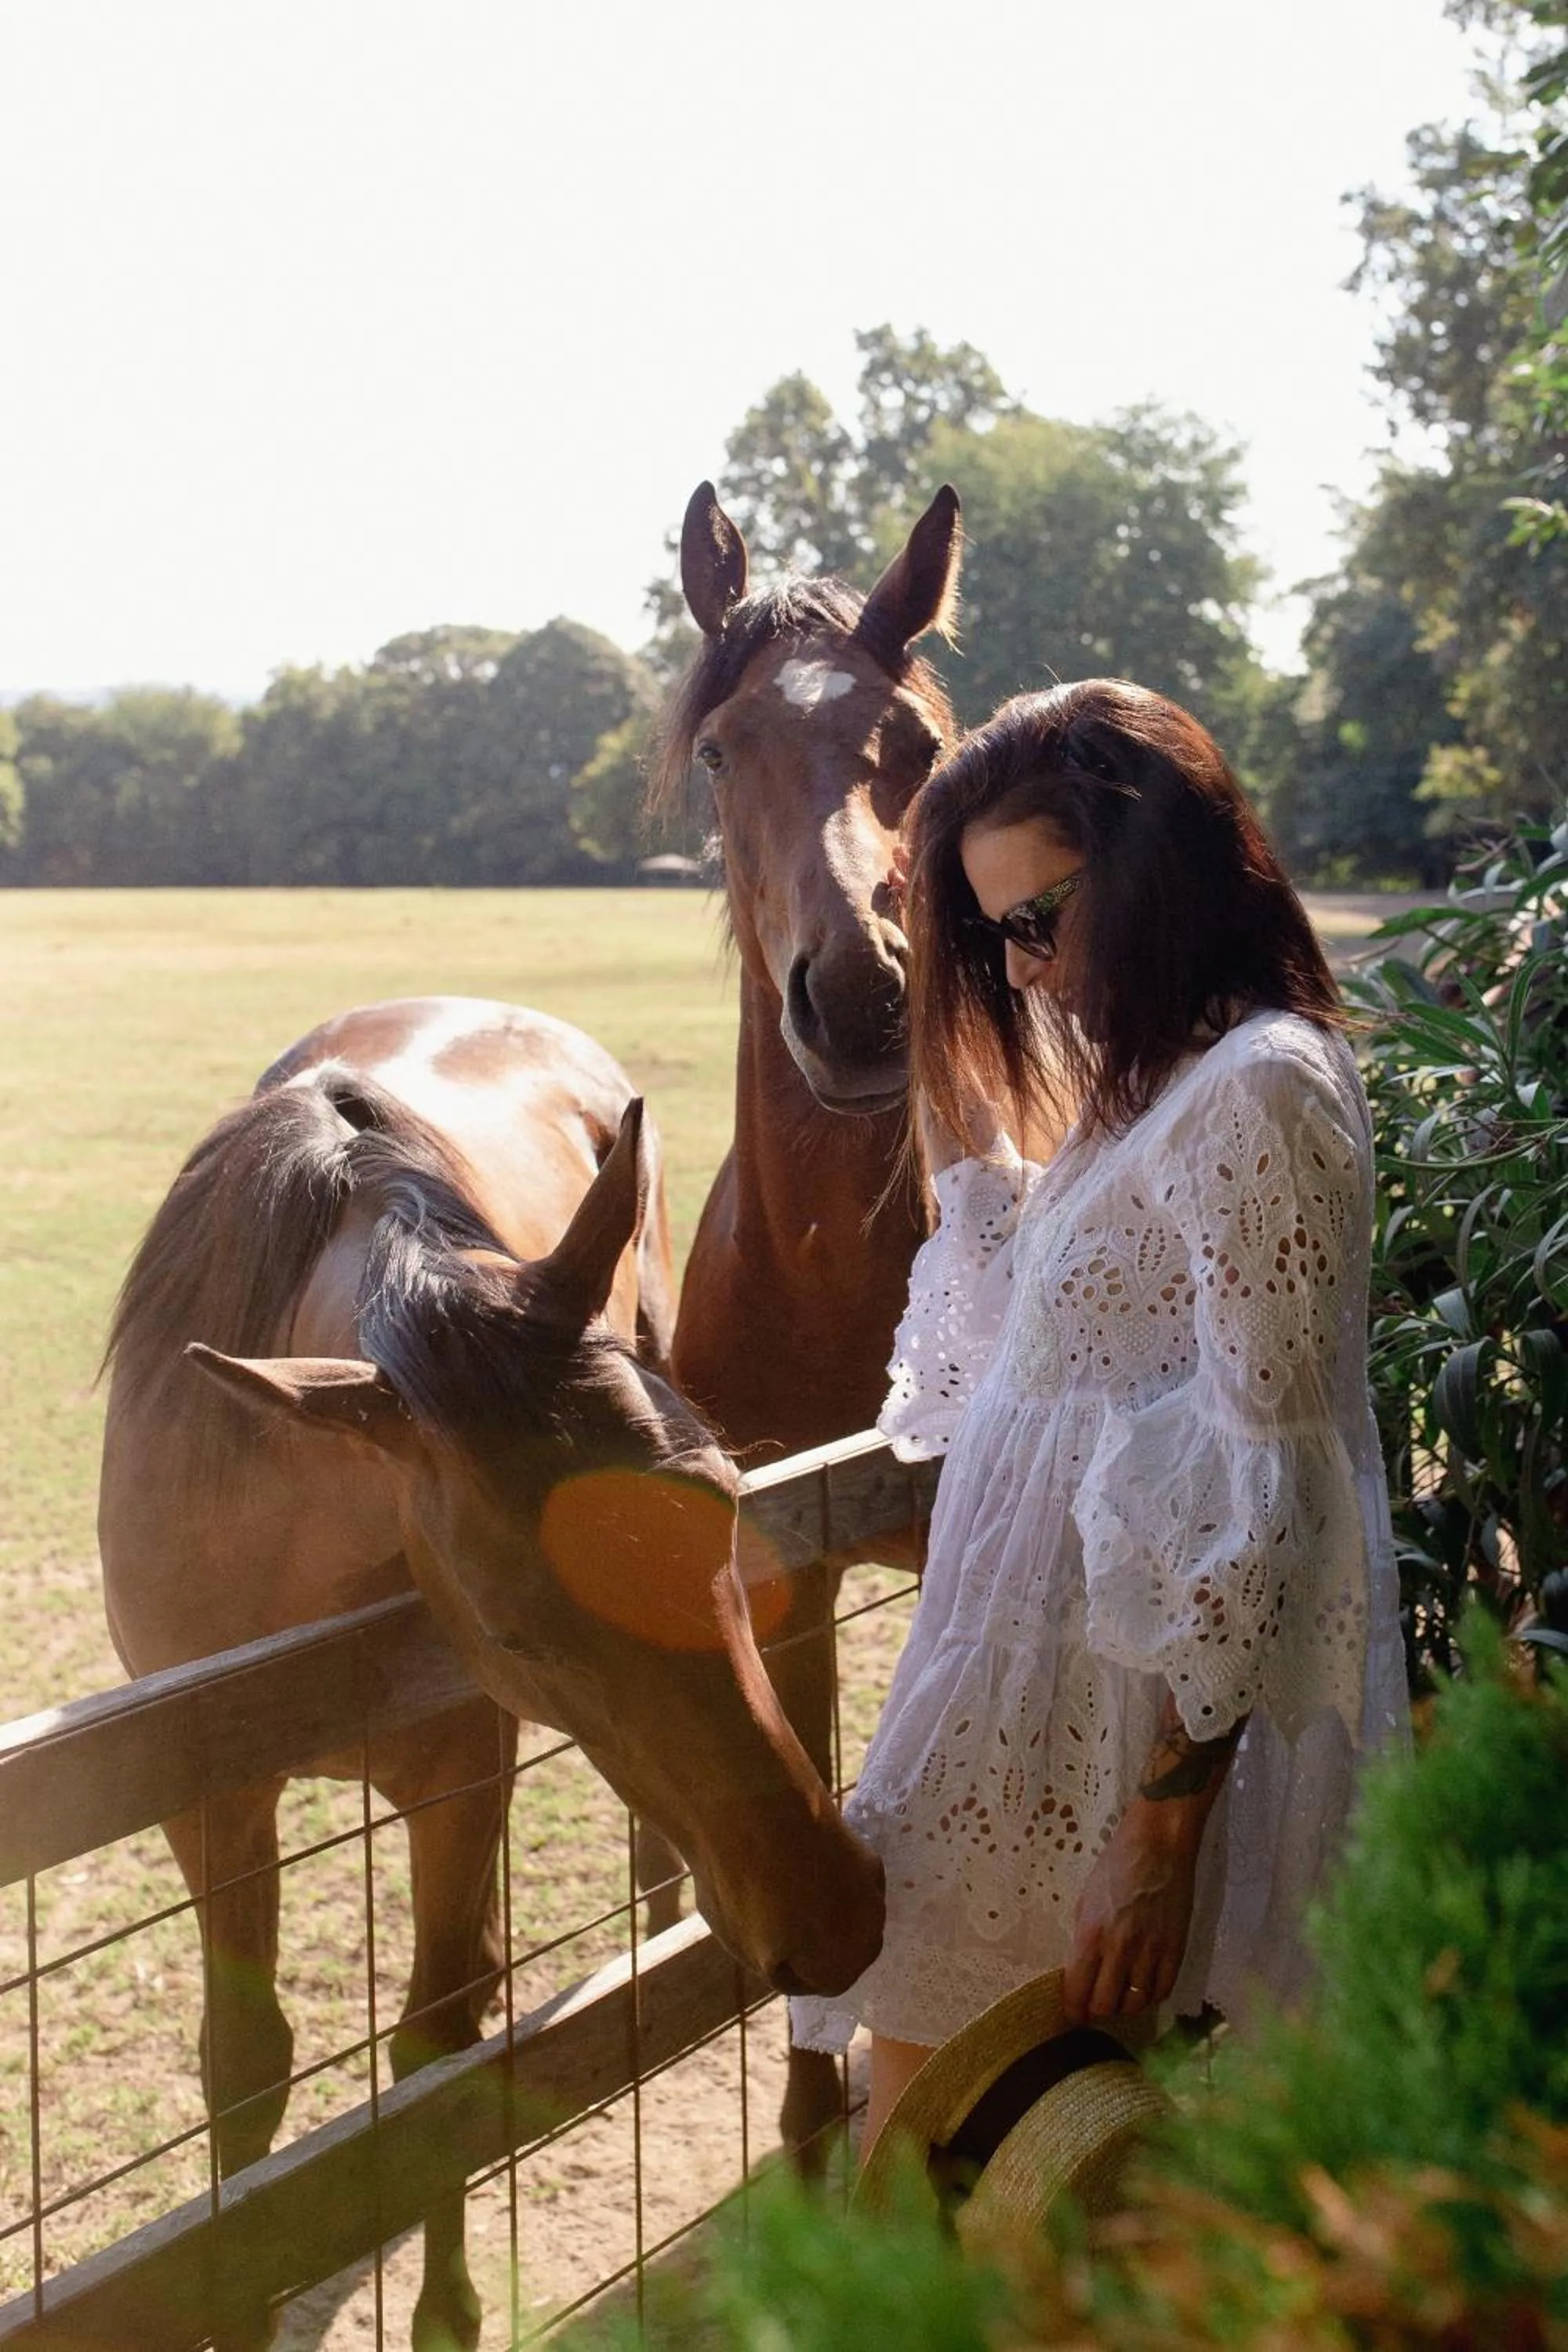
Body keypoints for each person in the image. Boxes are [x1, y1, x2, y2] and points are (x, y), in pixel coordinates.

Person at [789, 678, 1409, 2151]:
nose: (1025, 971)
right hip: (1019, 1707)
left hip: (1099, 1745)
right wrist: (930, 1003)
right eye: (995, 934)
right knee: (955, 2147)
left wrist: (1160, 1837)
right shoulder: (1158, 1078)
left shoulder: (1259, 1092)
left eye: (1040, 920)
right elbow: (1026, 1308)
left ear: (1158, 867)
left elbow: (1275, 1492)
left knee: (985, 2153)